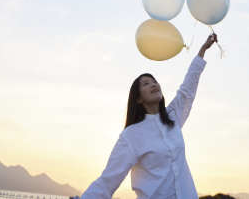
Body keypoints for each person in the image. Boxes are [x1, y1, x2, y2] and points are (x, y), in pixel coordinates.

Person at [80, 32, 218, 199]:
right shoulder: (131, 136)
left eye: (154, 81)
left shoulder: (173, 117)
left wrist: (203, 50)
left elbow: (187, 89)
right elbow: (108, 181)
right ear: (138, 98)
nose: (153, 84)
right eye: (146, 84)